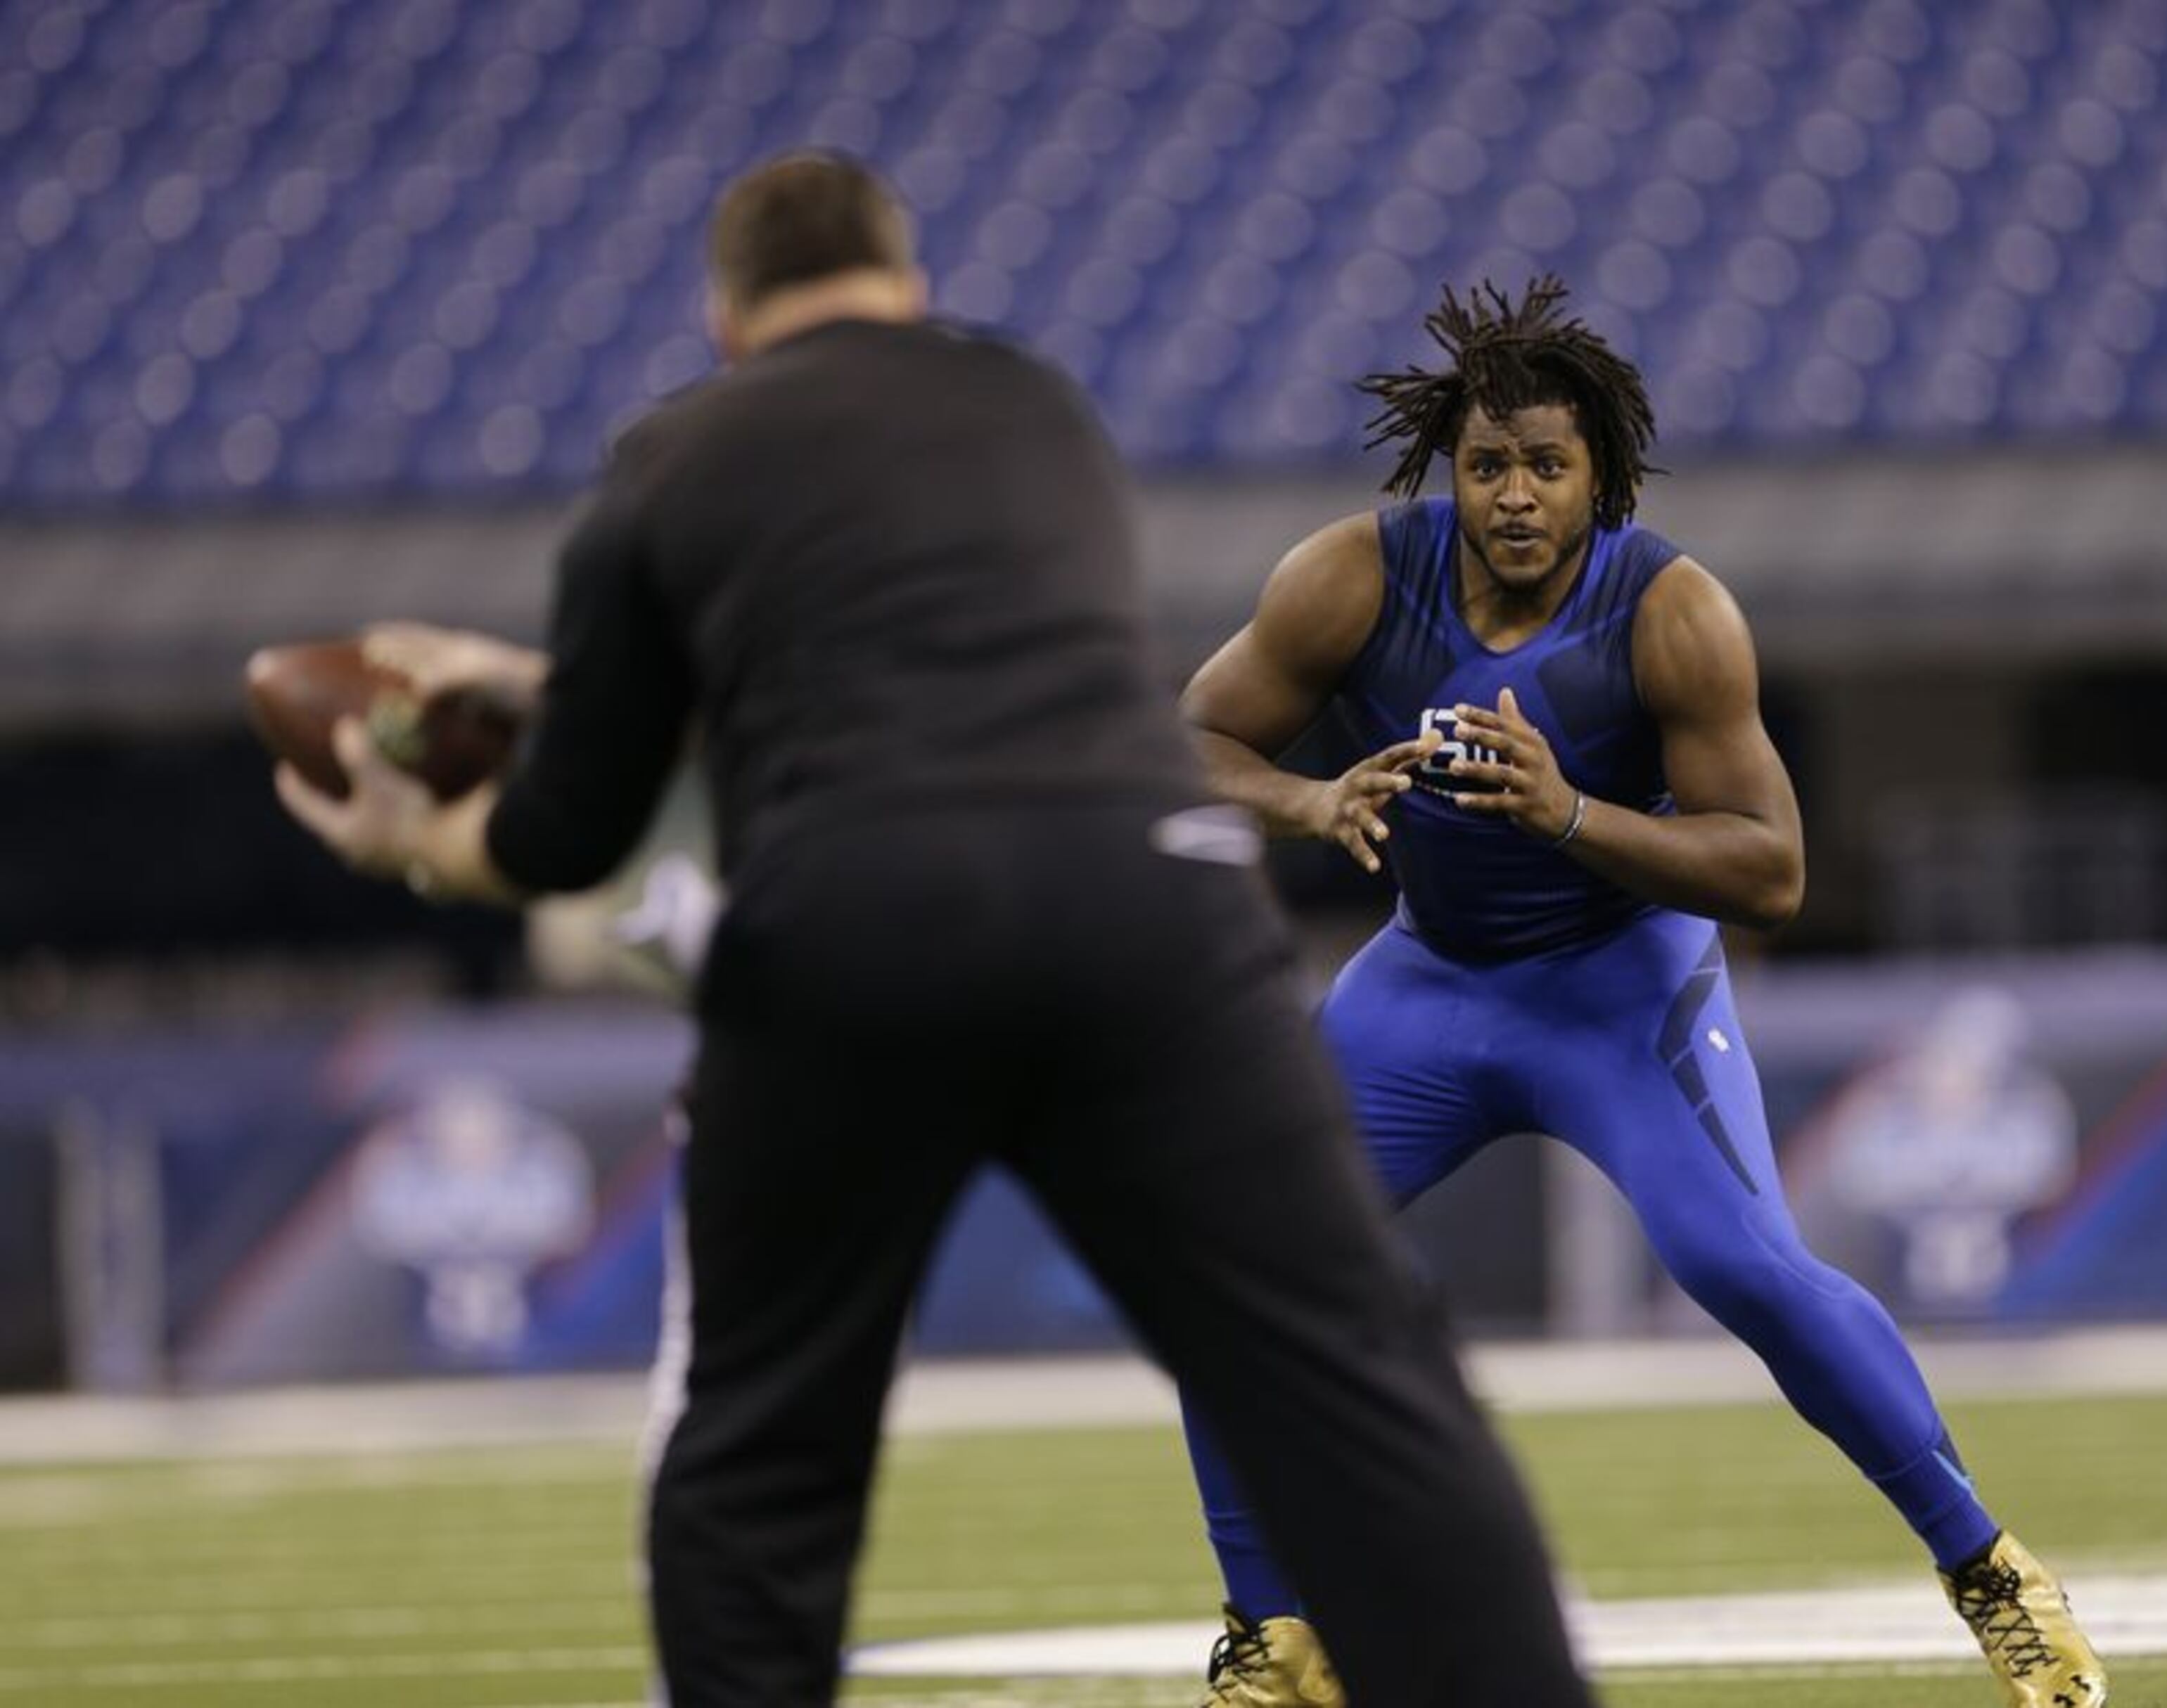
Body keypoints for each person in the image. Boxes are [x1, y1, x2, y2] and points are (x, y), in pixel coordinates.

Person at [273, 152, 1601, 1708]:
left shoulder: (671, 457)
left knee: (762, 1453)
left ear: (725, 321)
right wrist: (555, 691)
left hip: (858, 912)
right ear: (908, 290)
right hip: (1142, 894)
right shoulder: (1032, 411)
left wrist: (419, 837)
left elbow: (574, 820)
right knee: (1363, 1385)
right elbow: (921, 665)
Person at [1172, 277, 2108, 1708]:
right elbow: (1189, 740)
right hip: (1430, 981)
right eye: (1489, 464)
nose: (1515, 496)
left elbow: (1772, 871)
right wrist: (1308, 804)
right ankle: (1275, 1644)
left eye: (1547, 465)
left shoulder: (1673, 612)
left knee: (1744, 1267)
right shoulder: (1350, 577)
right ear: (1449, 470)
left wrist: (1567, 815)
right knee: (1232, 1262)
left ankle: (1992, 1573)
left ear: (1599, 474)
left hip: (1619, 989)